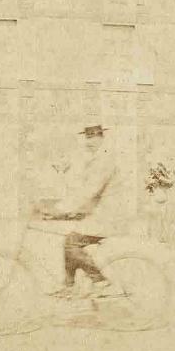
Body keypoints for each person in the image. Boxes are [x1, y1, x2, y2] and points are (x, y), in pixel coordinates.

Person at [47, 125, 124, 299]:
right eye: (87, 137)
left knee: (71, 244)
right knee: (70, 241)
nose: (89, 141)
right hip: (97, 214)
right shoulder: (96, 159)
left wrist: (61, 209)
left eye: (93, 137)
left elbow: (90, 191)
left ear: (102, 137)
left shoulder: (105, 160)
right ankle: (69, 286)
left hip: (107, 216)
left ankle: (100, 281)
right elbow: (81, 189)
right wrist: (66, 208)